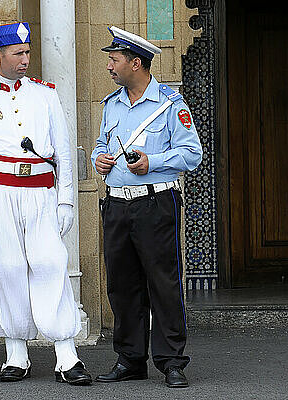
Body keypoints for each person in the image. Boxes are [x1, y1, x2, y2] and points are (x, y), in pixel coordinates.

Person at [0, 22, 91, 385]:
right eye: (18, 54)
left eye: (28, 52)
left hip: (41, 191)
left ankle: (66, 353)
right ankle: (16, 353)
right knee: (8, 267)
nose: (26, 59)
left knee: (50, 263)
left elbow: (63, 150)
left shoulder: (46, 94)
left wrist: (66, 201)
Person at [91, 26, 203, 388]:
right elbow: (99, 144)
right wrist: (100, 159)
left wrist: (151, 162)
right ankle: (130, 359)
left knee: (163, 283)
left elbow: (192, 154)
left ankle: (171, 361)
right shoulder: (112, 104)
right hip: (117, 204)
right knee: (121, 285)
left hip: (156, 203)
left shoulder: (172, 105)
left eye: (114, 59)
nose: (109, 66)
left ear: (135, 63)